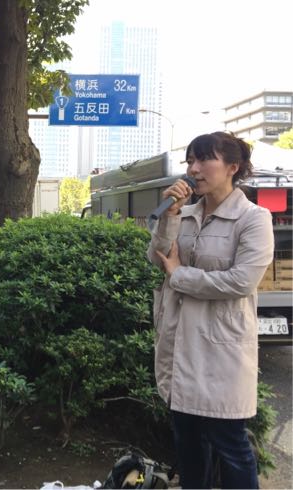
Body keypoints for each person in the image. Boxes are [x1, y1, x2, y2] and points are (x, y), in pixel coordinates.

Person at [147, 132, 273, 489]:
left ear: (232, 167)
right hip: (179, 343)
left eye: (204, 160)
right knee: (188, 445)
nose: (194, 169)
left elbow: (240, 282)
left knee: (230, 446)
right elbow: (156, 258)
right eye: (190, 161)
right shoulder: (184, 214)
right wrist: (170, 215)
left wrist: (179, 275)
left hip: (222, 352)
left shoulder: (253, 218)